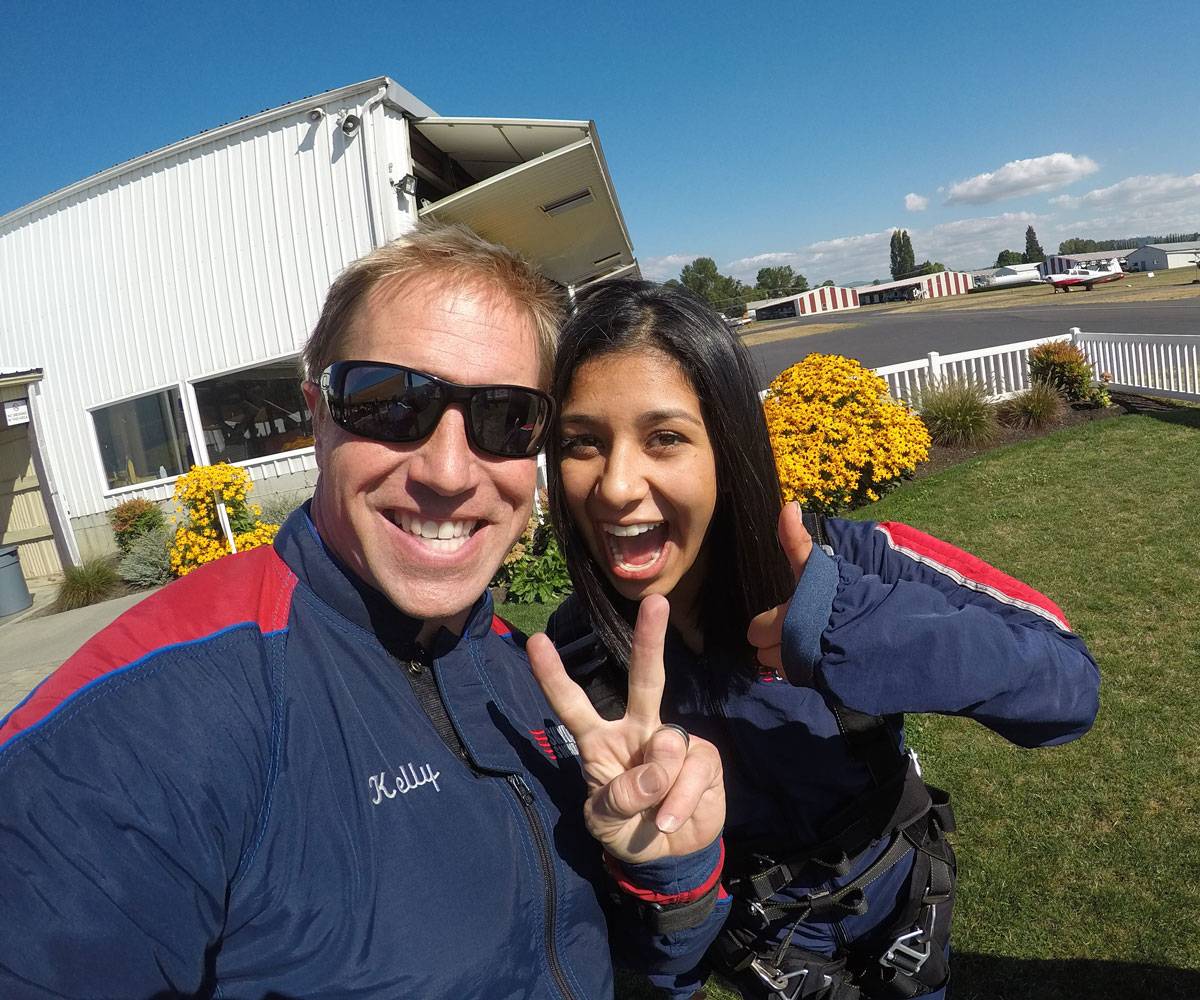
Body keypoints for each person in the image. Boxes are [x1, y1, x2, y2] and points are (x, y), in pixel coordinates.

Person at [0, 225, 728, 998]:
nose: (449, 473)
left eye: (504, 416)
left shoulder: (524, 673)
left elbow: (636, 970)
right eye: (388, 404)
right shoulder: (135, 729)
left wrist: (665, 871)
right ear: (317, 416)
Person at [539, 280, 1101, 999]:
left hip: (907, 914)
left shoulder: (852, 566)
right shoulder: (573, 663)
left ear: (729, 446)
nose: (616, 486)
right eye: (582, 443)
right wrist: (662, 875)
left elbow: (1070, 690)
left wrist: (872, 632)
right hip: (773, 963)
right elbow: (637, 961)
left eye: (665, 438)